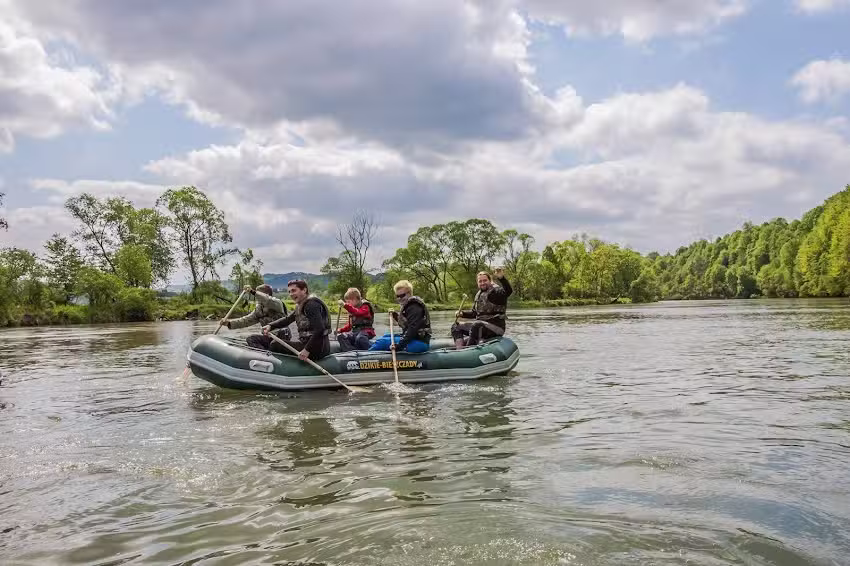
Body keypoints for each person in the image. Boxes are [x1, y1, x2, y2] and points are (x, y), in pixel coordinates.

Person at [262, 280, 332, 361]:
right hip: (309, 344)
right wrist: (270, 326)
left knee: (275, 344)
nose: (291, 294)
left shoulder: (311, 305)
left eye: (294, 290)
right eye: (289, 292)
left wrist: (306, 350)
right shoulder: (301, 305)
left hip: (317, 348)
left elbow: (319, 329)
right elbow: (288, 319)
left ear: (304, 290)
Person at [452, 267, 512, 349]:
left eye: (485, 280)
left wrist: (501, 278)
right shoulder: (479, 295)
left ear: (489, 281)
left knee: (477, 325)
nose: (482, 283)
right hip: (480, 327)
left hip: (496, 327)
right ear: (477, 283)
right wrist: (462, 314)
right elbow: (475, 313)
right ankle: (460, 349)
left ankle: (469, 350)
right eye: (480, 281)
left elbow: (508, 291)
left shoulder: (496, 292)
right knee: (456, 326)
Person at [219, 284, 290, 349]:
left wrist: (252, 291)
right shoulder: (259, 309)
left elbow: (267, 299)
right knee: (251, 339)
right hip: (269, 337)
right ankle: (264, 355)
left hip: (282, 336)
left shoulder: (277, 303)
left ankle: (272, 352)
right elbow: (246, 321)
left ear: (267, 294)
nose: (256, 296)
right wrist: (229, 323)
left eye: (257, 293)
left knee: (278, 337)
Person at [369, 280, 431, 354]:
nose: (399, 298)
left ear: (409, 294)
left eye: (402, 295)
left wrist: (399, 346)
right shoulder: (408, 306)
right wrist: (394, 315)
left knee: (382, 342)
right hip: (414, 339)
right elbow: (405, 324)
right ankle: (370, 351)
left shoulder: (414, 307)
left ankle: (366, 356)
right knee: (386, 336)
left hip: (419, 342)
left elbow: (412, 330)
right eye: (397, 296)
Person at [335, 287, 375, 351]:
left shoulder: (365, 307)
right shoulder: (352, 310)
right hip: (355, 332)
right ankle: (350, 351)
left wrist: (345, 305)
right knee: (341, 336)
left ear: (355, 299)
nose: (348, 303)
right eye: (346, 302)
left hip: (366, 331)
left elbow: (358, 312)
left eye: (349, 302)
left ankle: (372, 349)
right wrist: (340, 330)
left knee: (360, 338)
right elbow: (350, 326)